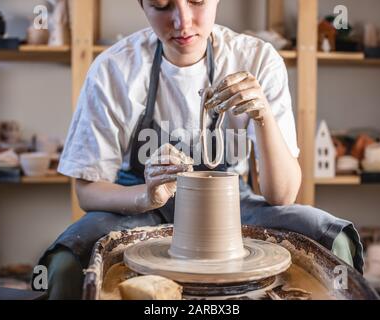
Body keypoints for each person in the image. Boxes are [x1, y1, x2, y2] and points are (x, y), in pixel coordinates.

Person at [38, 0, 363, 299]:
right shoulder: (114, 69)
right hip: (139, 207)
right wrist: (145, 196)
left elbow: (282, 195)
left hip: (233, 206)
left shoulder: (257, 59)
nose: (182, 21)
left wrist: (261, 113)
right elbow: (87, 190)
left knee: (333, 238)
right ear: (142, 5)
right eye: (162, 5)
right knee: (66, 262)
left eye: (196, 1)